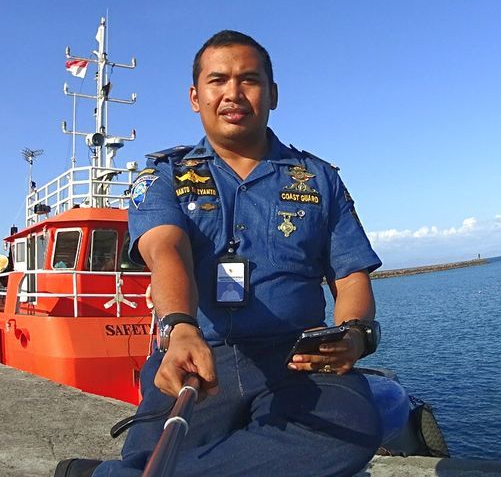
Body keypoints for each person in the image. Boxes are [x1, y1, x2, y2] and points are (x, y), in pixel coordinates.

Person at [56, 31, 383, 477]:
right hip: (198, 355)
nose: (233, 92)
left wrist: (356, 335)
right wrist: (180, 328)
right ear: (196, 97)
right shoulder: (163, 178)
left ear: (273, 94)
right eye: (218, 80)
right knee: (154, 452)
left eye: (249, 79)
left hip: (295, 361)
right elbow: (166, 250)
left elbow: (351, 278)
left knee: (353, 427)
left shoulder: (320, 180)